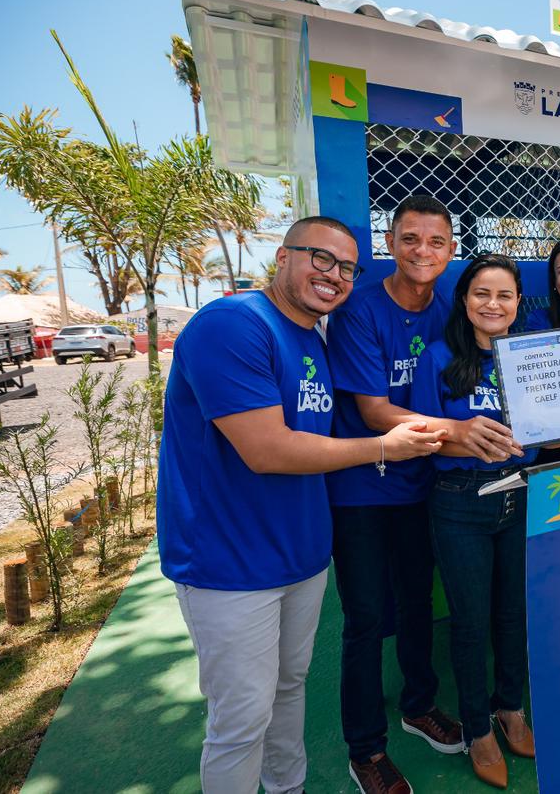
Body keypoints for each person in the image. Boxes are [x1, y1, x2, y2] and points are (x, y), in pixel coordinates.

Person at [158, 217, 442, 794]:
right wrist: (383, 446)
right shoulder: (233, 324)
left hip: (302, 555)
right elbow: (266, 450)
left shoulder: (311, 336)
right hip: (229, 563)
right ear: (283, 255)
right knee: (241, 721)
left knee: (288, 689)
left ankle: (288, 787)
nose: (334, 276)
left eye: (345, 267)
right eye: (320, 258)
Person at [410, 254, 560, 789]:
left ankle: (510, 710)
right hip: (460, 502)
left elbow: (551, 431)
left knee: (514, 614)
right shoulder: (438, 359)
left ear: (519, 303)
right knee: (471, 622)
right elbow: (420, 436)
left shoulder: (530, 355)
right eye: (482, 294)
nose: (493, 305)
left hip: (521, 496)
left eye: (504, 296)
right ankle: (477, 728)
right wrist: (458, 434)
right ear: (465, 301)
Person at [326, 196, 497, 794]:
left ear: (451, 250)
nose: (423, 251)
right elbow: (374, 411)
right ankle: (366, 750)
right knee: (368, 619)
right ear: (391, 245)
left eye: (436, 242)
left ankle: (419, 705)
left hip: (424, 484)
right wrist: (455, 431)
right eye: (410, 239)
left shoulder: (452, 306)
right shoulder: (361, 311)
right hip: (365, 488)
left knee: (421, 605)